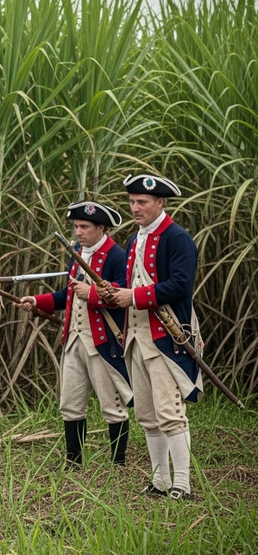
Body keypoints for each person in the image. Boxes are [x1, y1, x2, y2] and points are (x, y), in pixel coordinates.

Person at [100, 174, 201, 501]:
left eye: (142, 202)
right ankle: (159, 481)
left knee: (170, 412)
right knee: (146, 413)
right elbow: (130, 286)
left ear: (160, 202)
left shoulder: (177, 238)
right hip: (136, 338)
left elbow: (180, 286)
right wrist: (113, 292)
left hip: (166, 338)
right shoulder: (133, 241)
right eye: (132, 202)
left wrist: (135, 297)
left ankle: (181, 485)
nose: (135, 207)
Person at [17, 201, 132, 466]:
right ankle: (74, 460)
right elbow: (66, 294)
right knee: (70, 403)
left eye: (84, 227)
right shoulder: (77, 252)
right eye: (76, 227)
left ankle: (118, 462)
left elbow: (122, 294)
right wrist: (37, 301)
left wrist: (91, 293)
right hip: (73, 339)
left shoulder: (116, 255)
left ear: (100, 227)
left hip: (103, 342)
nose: (78, 232)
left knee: (112, 406)